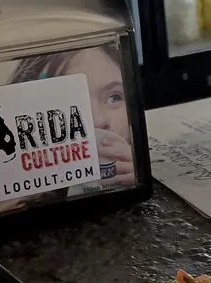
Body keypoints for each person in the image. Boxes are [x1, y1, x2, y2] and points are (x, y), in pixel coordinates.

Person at [10, 44, 136, 189]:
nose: (97, 121)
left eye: (114, 97)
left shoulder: (139, 166)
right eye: (70, 103)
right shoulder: (22, 189)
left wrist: (140, 175)